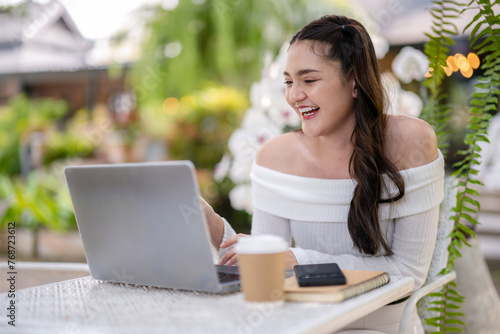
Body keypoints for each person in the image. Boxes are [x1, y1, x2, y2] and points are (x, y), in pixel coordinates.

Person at [203, 14, 444, 333]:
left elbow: (408, 273)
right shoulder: (276, 157)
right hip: (303, 324)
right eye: (289, 82)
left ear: (355, 80)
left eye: (309, 80)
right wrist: (206, 222)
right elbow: (269, 266)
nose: (293, 96)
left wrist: (301, 260)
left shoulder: (410, 142)